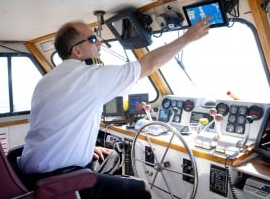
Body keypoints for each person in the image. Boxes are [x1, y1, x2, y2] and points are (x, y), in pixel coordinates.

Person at [18, 16, 211, 199]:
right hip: (60, 178)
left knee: (112, 157)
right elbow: (148, 65)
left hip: (32, 170)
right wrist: (187, 38)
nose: (100, 43)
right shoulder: (88, 76)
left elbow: (54, 124)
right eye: (93, 39)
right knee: (140, 189)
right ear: (77, 51)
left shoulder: (46, 81)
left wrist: (83, 148)